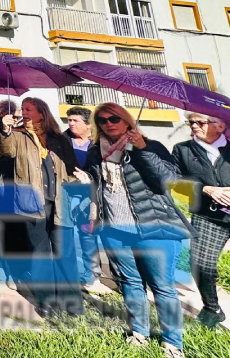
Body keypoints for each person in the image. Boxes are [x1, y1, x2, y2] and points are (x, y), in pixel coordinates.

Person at [85, 103, 192, 357]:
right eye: (102, 120)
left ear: (127, 121)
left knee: (162, 287)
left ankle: (173, 343)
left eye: (114, 118)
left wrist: (142, 149)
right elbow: (97, 187)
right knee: (130, 282)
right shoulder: (95, 152)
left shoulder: (151, 145)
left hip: (154, 227)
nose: (109, 123)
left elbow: (169, 182)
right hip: (115, 229)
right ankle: (140, 333)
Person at [0, 97, 83, 317]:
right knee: (39, 252)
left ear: (42, 113)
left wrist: (79, 181)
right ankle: (46, 303)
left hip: (60, 203)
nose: (24, 112)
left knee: (65, 253)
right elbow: (6, 150)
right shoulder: (17, 136)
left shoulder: (58, 139)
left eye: (29, 109)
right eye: (23, 109)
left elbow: (71, 168)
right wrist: (5, 130)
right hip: (32, 203)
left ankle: (72, 303)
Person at [173, 113, 230, 328]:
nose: (194, 125)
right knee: (200, 263)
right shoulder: (183, 150)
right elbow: (174, 181)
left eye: (200, 122)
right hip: (208, 215)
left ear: (220, 125)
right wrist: (206, 189)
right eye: (191, 122)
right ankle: (212, 309)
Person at [62, 106, 100, 288]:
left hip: (90, 194)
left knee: (87, 234)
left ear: (88, 124)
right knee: (65, 233)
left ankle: (91, 273)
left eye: (75, 120)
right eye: (69, 120)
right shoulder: (62, 140)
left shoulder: (98, 143)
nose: (70, 124)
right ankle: (67, 272)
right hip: (66, 192)